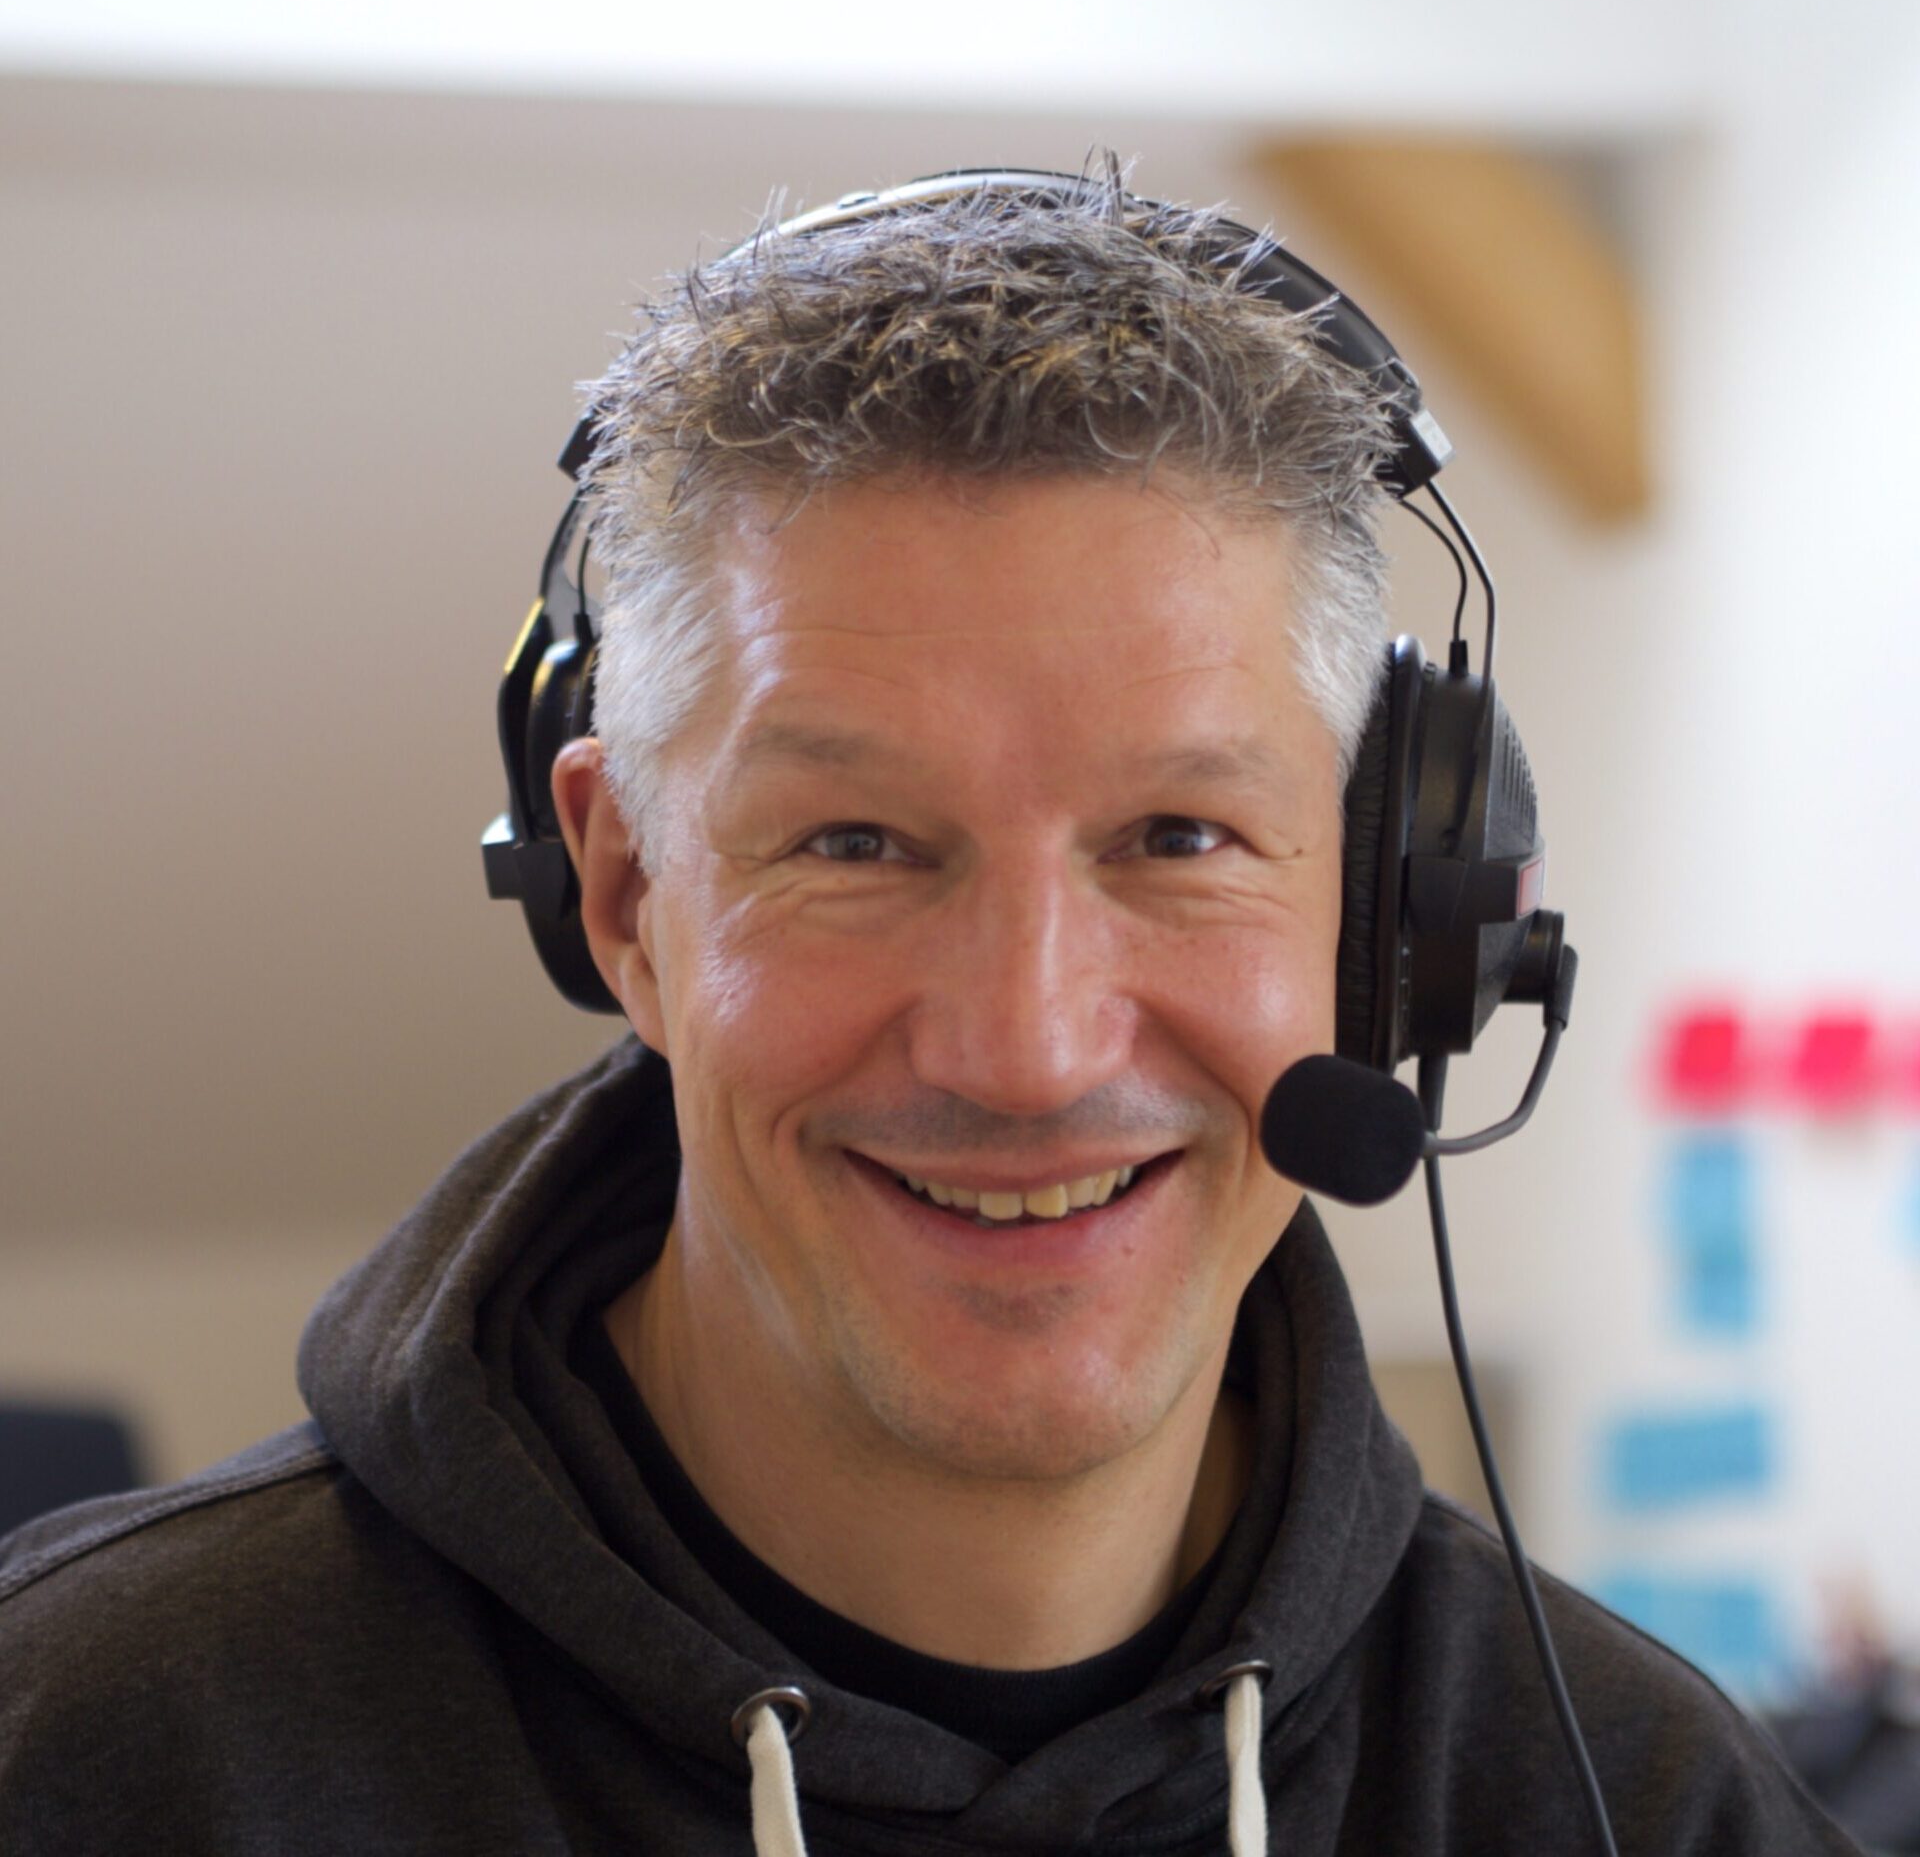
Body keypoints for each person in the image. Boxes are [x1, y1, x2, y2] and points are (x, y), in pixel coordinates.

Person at [0, 167, 1860, 1855]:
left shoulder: (1638, 1801)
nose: (1029, 1046)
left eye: (1179, 834)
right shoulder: (95, 1759)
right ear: (625, 897)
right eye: (859, 841)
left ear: (1394, 919)